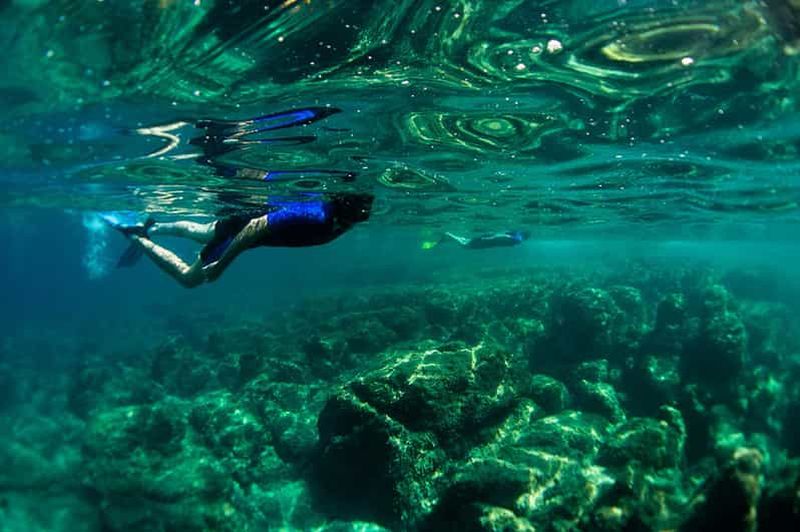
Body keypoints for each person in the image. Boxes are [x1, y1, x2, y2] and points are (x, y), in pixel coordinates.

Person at [102, 192, 373, 288]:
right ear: (344, 205)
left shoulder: (343, 219)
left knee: (201, 232)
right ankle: (138, 238)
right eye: (357, 213)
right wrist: (221, 265)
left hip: (241, 221)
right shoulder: (314, 215)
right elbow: (255, 227)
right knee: (189, 279)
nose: (362, 217)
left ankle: (153, 226)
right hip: (241, 229)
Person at [423, 230, 530, 250]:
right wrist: (491, 237)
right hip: (486, 241)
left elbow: (504, 237)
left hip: (487, 241)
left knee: (466, 242)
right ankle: (447, 235)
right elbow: (504, 237)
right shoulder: (518, 239)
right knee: (465, 245)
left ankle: (443, 237)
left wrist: (491, 237)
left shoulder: (517, 238)